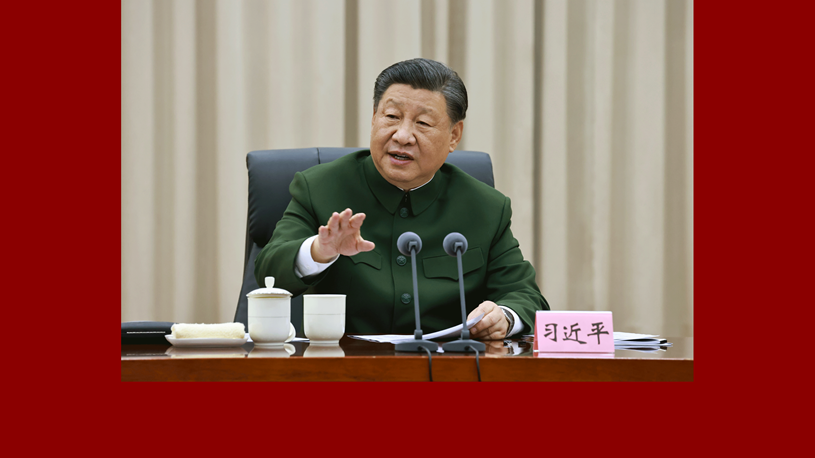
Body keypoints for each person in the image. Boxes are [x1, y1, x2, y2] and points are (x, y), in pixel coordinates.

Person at [255, 58, 549, 339]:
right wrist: (320, 250)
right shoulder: (319, 187)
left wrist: (504, 317)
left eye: (423, 123)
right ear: (374, 118)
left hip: (446, 366)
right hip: (344, 365)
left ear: (454, 135)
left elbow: (526, 296)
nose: (403, 136)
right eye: (392, 117)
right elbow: (269, 271)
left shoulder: (486, 208)